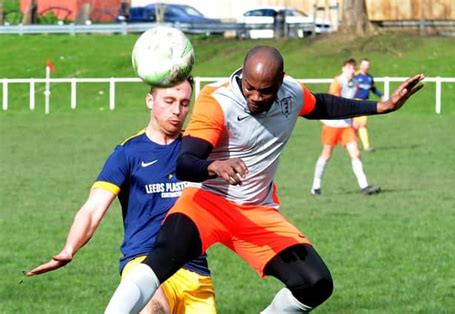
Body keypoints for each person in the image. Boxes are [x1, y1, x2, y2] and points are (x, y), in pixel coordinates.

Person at [105, 46, 424, 313]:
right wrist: (214, 167)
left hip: (256, 211)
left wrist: (382, 106)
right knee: (158, 261)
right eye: (249, 87)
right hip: (206, 204)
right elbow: (185, 163)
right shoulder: (217, 101)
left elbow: (320, 104)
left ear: (281, 82)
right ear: (241, 77)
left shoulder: (291, 93)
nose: (255, 96)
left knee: (315, 284)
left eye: (265, 90)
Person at [26, 77, 216, 314]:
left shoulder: (197, 151)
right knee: (151, 310)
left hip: (196, 272)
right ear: (150, 100)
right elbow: (93, 208)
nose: (177, 110)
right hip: (145, 261)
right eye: (169, 101)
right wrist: (69, 248)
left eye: (185, 103)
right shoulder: (128, 153)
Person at [311, 58, 381, 196]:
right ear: (343, 68)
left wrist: (355, 118)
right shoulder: (337, 82)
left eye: (352, 68)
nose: (350, 71)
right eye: (348, 68)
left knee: (356, 153)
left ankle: (364, 186)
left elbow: (352, 103)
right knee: (326, 154)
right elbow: (336, 103)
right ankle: (316, 186)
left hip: (346, 125)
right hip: (332, 124)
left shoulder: (355, 83)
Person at [353, 58, 384, 152]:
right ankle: (354, 145)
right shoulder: (354, 76)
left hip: (364, 103)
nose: (366, 67)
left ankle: (366, 146)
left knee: (362, 124)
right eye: (364, 64)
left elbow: (373, 89)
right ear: (360, 65)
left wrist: (381, 95)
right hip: (353, 102)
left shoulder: (369, 78)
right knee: (354, 125)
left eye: (367, 65)